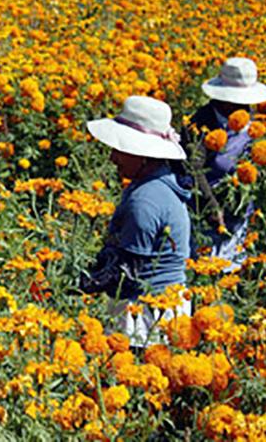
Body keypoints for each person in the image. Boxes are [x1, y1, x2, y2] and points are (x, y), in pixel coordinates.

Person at [80, 96, 191, 347]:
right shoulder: (161, 182)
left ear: (142, 155)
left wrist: (76, 284)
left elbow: (127, 274)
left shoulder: (145, 200)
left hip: (147, 318)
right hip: (165, 307)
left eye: (119, 150)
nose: (112, 158)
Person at [181, 57, 266, 268]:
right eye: (238, 100)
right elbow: (193, 170)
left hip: (240, 214)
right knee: (205, 270)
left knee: (233, 270)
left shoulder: (254, 120)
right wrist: (212, 206)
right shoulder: (199, 124)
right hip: (204, 212)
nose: (245, 106)